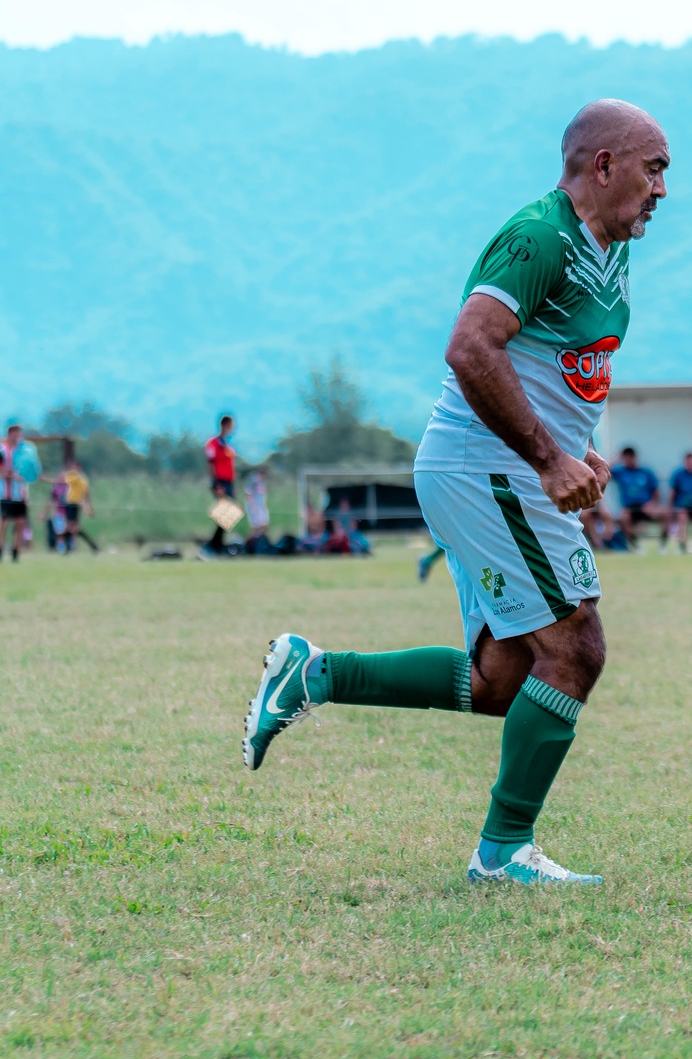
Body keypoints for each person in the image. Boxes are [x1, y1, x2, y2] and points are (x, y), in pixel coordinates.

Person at [241, 96, 670, 888]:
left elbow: (549, 364)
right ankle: (502, 853)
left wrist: (576, 448)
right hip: (490, 468)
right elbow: (471, 348)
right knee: (574, 650)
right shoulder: (539, 237)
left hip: (497, 467)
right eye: (654, 170)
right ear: (604, 165)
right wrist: (547, 458)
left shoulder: (607, 249)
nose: (662, 190)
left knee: (502, 678)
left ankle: (316, 673)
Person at [0, 421, 43, 562]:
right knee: (4, 522)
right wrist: (10, 475)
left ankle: (15, 551)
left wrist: (31, 475)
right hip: (5, 493)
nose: (18, 436)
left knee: (20, 523)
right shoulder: (2, 450)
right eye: (15, 434)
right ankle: (1, 548)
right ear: (10, 434)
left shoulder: (26, 450)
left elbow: (31, 469)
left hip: (21, 494)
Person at [609, 446, 665, 547]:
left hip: (645, 506)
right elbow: (606, 471)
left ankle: (663, 542)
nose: (626, 461)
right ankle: (634, 543)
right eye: (624, 458)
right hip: (629, 507)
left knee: (666, 513)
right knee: (624, 517)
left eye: (628, 458)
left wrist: (652, 504)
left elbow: (656, 492)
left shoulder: (646, 472)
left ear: (634, 457)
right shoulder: (621, 472)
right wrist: (617, 458)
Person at [202, 414, 239, 558]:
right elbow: (210, 464)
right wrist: (216, 484)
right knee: (224, 513)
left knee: (228, 514)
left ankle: (217, 544)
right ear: (224, 425)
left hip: (228, 482)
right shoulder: (214, 443)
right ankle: (213, 545)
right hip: (220, 482)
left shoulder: (227, 445)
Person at [57, 440, 98, 553]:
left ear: (78, 467)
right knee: (72, 527)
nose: (73, 468)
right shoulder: (80, 478)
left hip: (74, 504)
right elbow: (86, 494)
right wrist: (88, 507)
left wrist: (88, 507)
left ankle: (66, 544)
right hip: (72, 503)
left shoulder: (78, 478)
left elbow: (85, 494)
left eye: (74, 466)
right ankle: (90, 546)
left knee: (72, 527)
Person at [244, 467, 271, 551]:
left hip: (261, 507)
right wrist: (253, 507)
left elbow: (263, 495)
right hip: (254, 506)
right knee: (256, 528)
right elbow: (248, 494)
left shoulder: (262, 482)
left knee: (264, 526)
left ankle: (262, 543)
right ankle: (249, 545)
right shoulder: (253, 481)